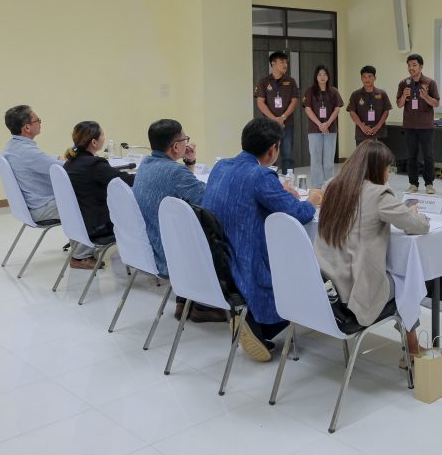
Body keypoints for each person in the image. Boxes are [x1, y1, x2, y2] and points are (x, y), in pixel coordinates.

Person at [202, 117, 322, 362]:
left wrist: (280, 193)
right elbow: (299, 214)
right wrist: (313, 199)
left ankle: (251, 322)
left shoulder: (221, 166)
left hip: (220, 258)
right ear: (272, 150)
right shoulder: (260, 175)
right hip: (248, 261)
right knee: (307, 269)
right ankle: (260, 328)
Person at [316, 140, 429, 358]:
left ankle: (412, 346)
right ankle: (413, 350)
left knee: (396, 277)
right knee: (406, 281)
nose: (389, 175)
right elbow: (419, 226)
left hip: (325, 287)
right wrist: (414, 213)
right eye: (388, 169)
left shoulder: (331, 185)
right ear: (378, 169)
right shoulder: (379, 195)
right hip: (352, 294)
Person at [133, 119, 223, 322]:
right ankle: (203, 305)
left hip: (152, 245)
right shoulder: (174, 172)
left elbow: (184, 193)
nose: (187, 143)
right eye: (185, 139)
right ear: (175, 147)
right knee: (222, 235)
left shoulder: (146, 165)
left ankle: (185, 300)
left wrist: (189, 162)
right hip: (170, 254)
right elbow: (208, 200)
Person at [1, 105, 99, 267]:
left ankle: (82, 245)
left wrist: (59, 158)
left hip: (31, 204)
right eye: (37, 120)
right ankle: (81, 257)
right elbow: (64, 169)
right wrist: (86, 160)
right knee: (85, 202)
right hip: (41, 207)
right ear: (27, 127)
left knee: (77, 197)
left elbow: (44, 160)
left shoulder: (14, 146)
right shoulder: (27, 152)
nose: (40, 123)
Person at [63, 121, 134, 262]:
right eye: (102, 135)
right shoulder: (94, 164)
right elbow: (125, 180)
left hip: (80, 223)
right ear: (94, 142)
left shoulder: (70, 162)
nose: (104, 137)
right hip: (98, 227)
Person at [396, 53, 440, 194]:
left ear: (421, 67)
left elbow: (436, 103)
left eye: (414, 65)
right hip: (410, 126)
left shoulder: (430, 83)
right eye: (409, 65)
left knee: (428, 156)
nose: (411, 68)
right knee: (411, 156)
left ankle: (429, 184)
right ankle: (413, 184)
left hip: (425, 126)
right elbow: (399, 104)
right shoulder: (403, 83)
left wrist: (426, 97)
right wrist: (404, 96)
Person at [254, 51, 299, 174]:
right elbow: (260, 103)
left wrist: (283, 117)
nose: (285, 65)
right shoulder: (263, 81)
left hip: (287, 124)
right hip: (269, 126)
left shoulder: (290, 81)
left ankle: (288, 181)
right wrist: (274, 119)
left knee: (288, 155)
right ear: (273, 64)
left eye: (286, 62)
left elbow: (294, 101)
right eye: (282, 62)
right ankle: (268, 180)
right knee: (268, 154)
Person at [302, 64, 344, 189]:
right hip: (314, 130)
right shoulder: (310, 91)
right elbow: (308, 109)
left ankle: (329, 185)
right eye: (319, 74)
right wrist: (320, 124)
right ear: (316, 76)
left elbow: (337, 109)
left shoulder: (334, 91)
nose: (322, 77)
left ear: (328, 76)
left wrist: (327, 123)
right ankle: (317, 186)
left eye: (324, 74)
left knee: (328, 160)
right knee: (315, 159)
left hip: (330, 130)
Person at [348, 65, 392, 145]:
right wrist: (362, 126)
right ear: (361, 78)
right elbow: (352, 112)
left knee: (379, 153)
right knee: (362, 153)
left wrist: (377, 126)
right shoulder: (355, 95)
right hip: (362, 133)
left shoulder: (382, 94)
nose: (367, 79)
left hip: (379, 133)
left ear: (375, 78)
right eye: (364, 77)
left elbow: (386, 111)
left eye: (369, 76)